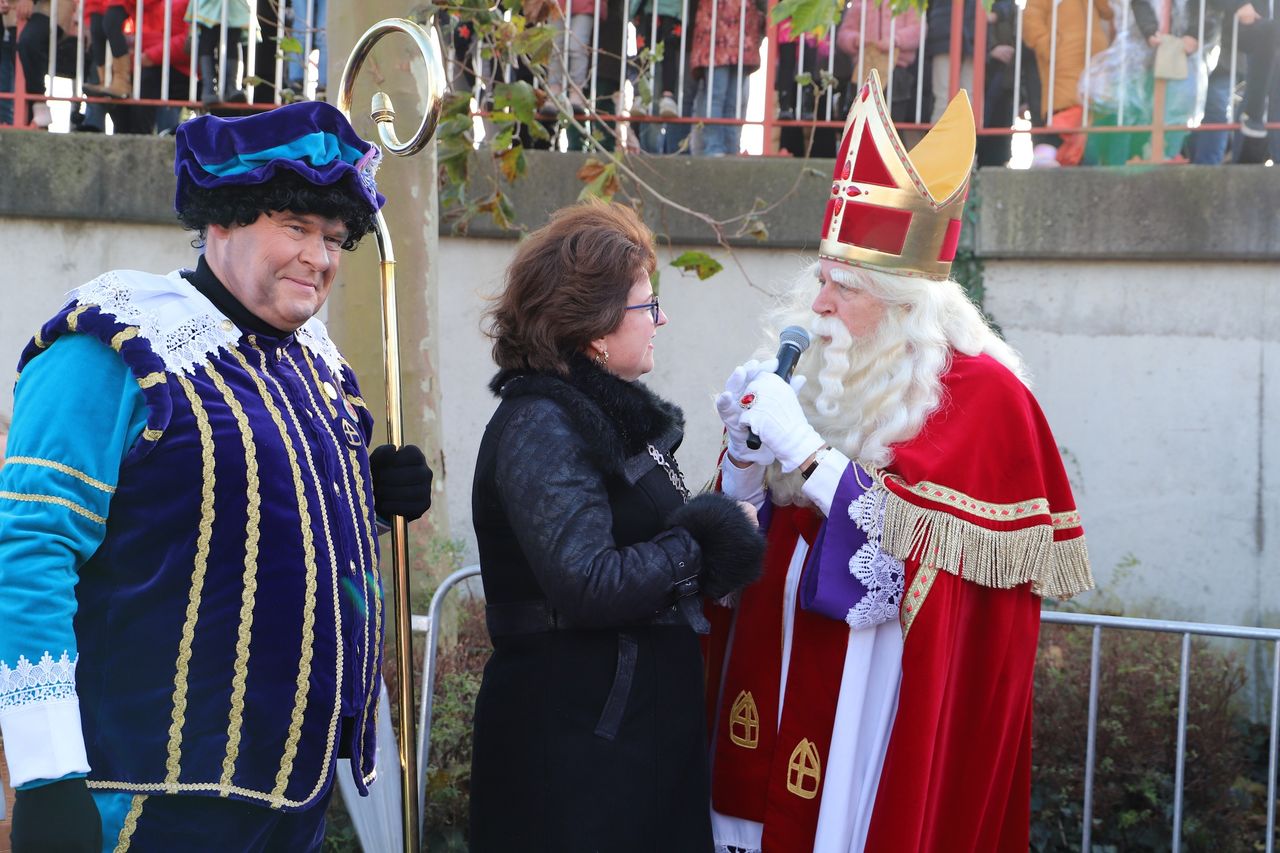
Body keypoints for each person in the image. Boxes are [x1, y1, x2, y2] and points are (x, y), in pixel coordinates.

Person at [0, 100, 434, 852]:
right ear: (224, 220)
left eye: (333, 237)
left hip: (294, 799)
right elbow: (26, 552)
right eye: (295, 228)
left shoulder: (320, 367)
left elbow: (265, 530)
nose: (320, 258)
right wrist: (46, 773)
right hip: (145, 800)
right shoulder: (112, 344)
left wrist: (369, 493)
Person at [704, 71, 1094, 852]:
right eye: (821, 278)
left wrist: (809, 454)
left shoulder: (980, 396)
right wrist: (745, 465)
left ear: (905, 304)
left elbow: (905, 565)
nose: (818, 306)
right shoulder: (819, 367)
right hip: (772, 675)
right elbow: (750, 549)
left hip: (874, 710)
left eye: (844, 287)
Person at [469, 200, 765, 850]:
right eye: (647, 305)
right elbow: (588, 581)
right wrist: (704, 539)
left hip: (632, 738)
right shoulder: (542, 424)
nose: (661, 319)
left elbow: (647, 547)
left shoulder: (601, 417)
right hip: (576, 748)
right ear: (595, 327)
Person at [1023, 0, 1111, 166]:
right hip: (1063, 57)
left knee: (1091, 108)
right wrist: (1047, 45)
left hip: (1094, 56)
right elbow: (1031, 19)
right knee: (1067, 106)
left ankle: (1066, 155)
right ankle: (1048, 151)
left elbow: (1108, 10)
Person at [689, 0, 764, 155]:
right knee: (716, 95)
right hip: (717, 32)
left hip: (741, 31)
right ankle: (714, 147)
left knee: (733, 100)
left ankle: (730, 148)